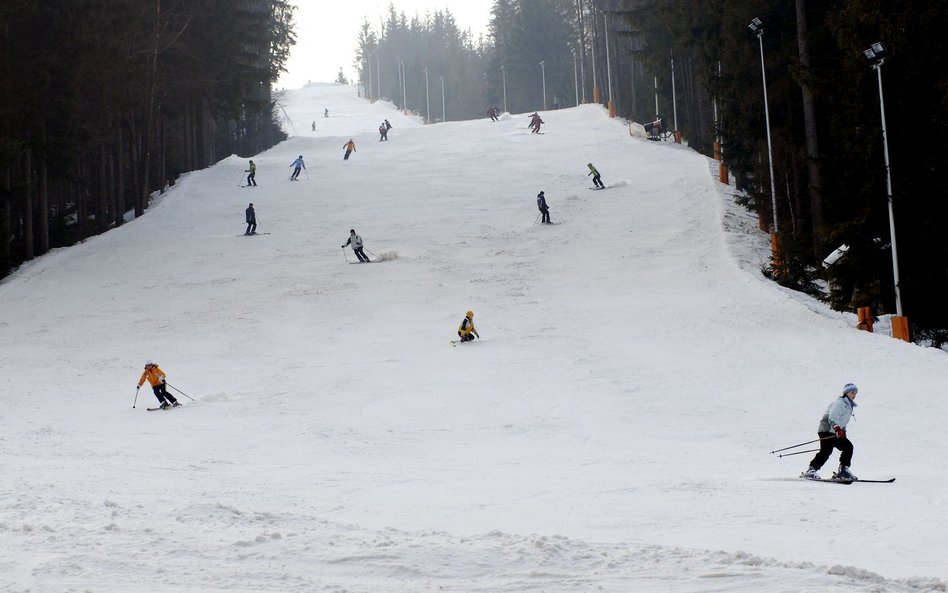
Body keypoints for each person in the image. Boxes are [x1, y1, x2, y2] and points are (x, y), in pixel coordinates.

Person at [802, 383, 860, 481]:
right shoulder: (840, 403)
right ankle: (811, 471)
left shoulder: (848, 406)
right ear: (846, 393)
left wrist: (843, 431)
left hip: (835, 431)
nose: (854, 395)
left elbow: (843, 421)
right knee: (826, 450)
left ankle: (844, 470)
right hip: (827, 429)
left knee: (848, 447)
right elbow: (832, 416)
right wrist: (837, 429)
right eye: (852, 392)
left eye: (855, 393)